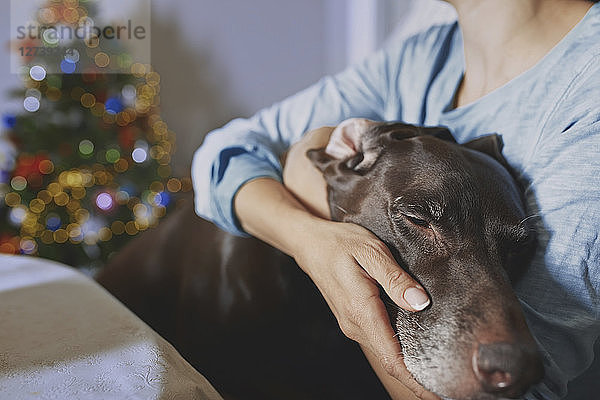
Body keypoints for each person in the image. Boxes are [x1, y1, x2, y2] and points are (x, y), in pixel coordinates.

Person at [191, 0, 600, 398]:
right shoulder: (423, 58)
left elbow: (524, 390)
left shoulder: (589, 93)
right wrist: (313, 241)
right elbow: (221, 155)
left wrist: (313, 186)